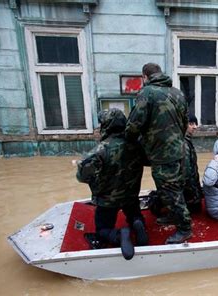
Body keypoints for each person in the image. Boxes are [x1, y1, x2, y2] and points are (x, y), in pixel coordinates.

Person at [125, 63, 191, 244]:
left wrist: (127, 139)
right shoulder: (177, 93)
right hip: (178, 149)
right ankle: (172, 215)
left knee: (170, 190)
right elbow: (185, 123)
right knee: (172, 186)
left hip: (162, 153)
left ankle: (185, 228)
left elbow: (134, 124)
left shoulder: (147, 93)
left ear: (145, 76)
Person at [76, 109, 148, 260]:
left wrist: (81, 165)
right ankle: (137, 224)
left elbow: (82, 177)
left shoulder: (100, 150)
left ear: (106, 125)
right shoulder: (136, 145)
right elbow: (149, 160)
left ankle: (118, 235)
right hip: (131, 195)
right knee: (134, 214)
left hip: (107, 200)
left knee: (102, 228)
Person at [183, 114, 203, 213]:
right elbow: (186, 173)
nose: (195, 127)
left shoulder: (187, 141)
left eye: (195, 124)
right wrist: (193, 195)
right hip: (187, 189)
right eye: (191, 124)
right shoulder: (183, 143)